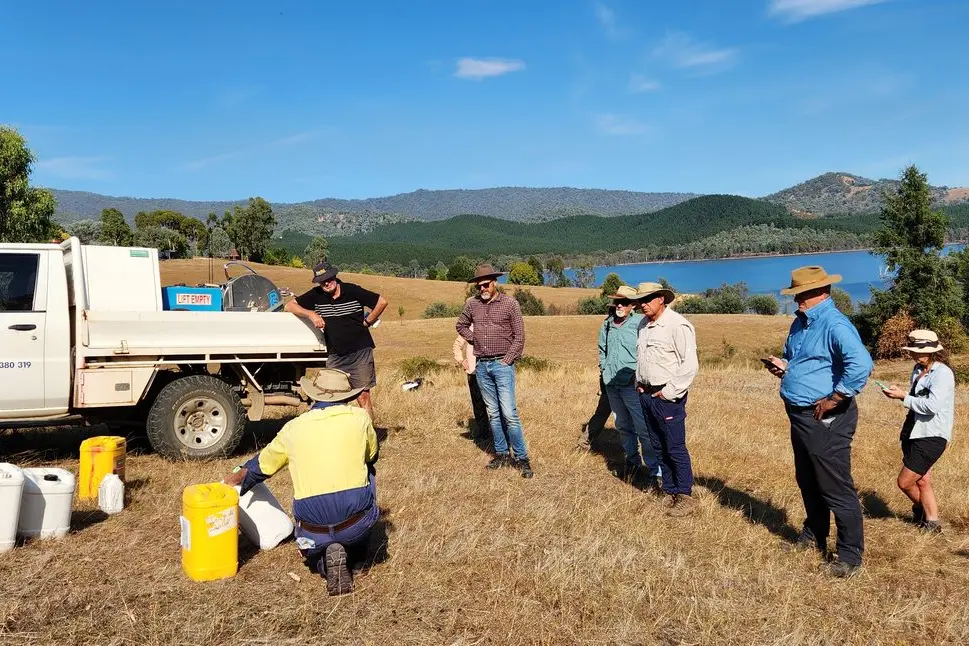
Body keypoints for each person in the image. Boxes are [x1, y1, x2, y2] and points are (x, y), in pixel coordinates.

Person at [223, 368, 380, 596]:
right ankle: (357, 560)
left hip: (313, 526)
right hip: (354, 523)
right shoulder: (360, 419)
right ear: (347, 397)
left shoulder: (292, 429)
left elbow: (260, 469)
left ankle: (323, 564)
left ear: (313, 395)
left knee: (313, 553)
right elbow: (372, 456)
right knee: (368, 471)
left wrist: (236, 476)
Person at [764, 266, 873, 578]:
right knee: (808, 478)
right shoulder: (801, 323)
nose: (796, 299)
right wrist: (784, 368)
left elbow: (861, 364)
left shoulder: (834, 324)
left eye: (801, 294)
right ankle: (814, 535)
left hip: (825, 417)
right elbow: (801, 360)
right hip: (800, 416)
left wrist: (835, 398)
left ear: (820, 292)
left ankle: (850, 556)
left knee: (835, 485)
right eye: (796, 293)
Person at [455, 263, 534, 478]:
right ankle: (501, 454)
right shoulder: (472, 305)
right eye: (479, 286)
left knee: (509, 413)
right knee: (493, 414)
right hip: (482, 366)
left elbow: (520, 337)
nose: (483, 289)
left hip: (502, 364)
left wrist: (507, 360)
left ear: (495, 282)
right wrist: (475, 339)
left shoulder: (510, 304)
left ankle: (521, 457)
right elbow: (460, 325)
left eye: (486, 284)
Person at [285, 261, 388, 421]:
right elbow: (289, 306)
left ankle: (369, 436)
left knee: (363, 396)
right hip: (335, 355)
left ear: (334, 276)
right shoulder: (316, 295)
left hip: (360, 352)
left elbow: (382, 302)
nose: (326, 283)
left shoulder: (352, 290)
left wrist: (368, 322)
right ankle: (337, 434)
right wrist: (311, 314)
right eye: (322, 281)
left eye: (329, 278)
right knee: (330, 398)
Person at [634, 281, 699, 516]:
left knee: (674, 446)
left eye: (647, 299)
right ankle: (668, 490)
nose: (642, 304)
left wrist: (669, 392)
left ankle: (685, 496)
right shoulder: (642, 324)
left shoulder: (677, 325)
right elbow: (642, 359)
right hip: (646, 394)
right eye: (640, 300)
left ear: (661, 298)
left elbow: (690, 365)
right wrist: (639, 385)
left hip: (667, 396)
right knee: (658, 445)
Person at [881, 329, 954, 533]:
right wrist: (901, 392)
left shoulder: (943, 373)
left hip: (932, 434)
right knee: (923, 480)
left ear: (932, 351)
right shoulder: (917, 369)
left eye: (919, 350)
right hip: (913, 430)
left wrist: (903, 396)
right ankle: (931, 523)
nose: (914, 354)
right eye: (913, 349)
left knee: (904, 482)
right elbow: (917, 397)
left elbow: (932, 406)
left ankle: (921, 511)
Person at [600, 285, 661, 486]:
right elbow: (602, 349)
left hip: (631, 385)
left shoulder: (639, 323)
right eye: (617, 302)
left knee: (643, 428)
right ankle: (632, 463)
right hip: (612, 384)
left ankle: (655, 472)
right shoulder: (607, 324)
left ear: (632, 305)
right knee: (623, 426)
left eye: (624, 302)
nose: (619, 305)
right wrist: (603, 371)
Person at [453, 322, 499, 443]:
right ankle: (483, 434)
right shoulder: (469, 328)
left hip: (491, 372)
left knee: (494, 404)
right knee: (478, 404)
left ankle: (499, 433)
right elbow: (457, 345)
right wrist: (461, 360)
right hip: (473, 372)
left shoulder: (492, 324)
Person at [577, 306, 615, 451]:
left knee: (602, 411)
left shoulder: (607, 324)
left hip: (609, 377)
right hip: (611, 378)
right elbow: (603, 351)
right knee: (607, 411)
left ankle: (585, 442)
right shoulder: (608, 325)